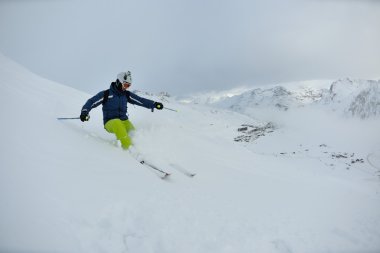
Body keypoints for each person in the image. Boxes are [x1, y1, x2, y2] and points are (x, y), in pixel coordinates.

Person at [80, 71, 163, 150]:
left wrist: (154, 104)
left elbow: (140, 100)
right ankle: (128, 150)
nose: (126, 88)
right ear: (118, 82)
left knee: (133, 133)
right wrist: (84, 112)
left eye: (128, 86)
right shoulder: (106, 94)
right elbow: (91, 101)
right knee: (117, 123)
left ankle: (139, 150)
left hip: (124, 120)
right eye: (125, 85)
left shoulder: (126, 95)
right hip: (110, 122)